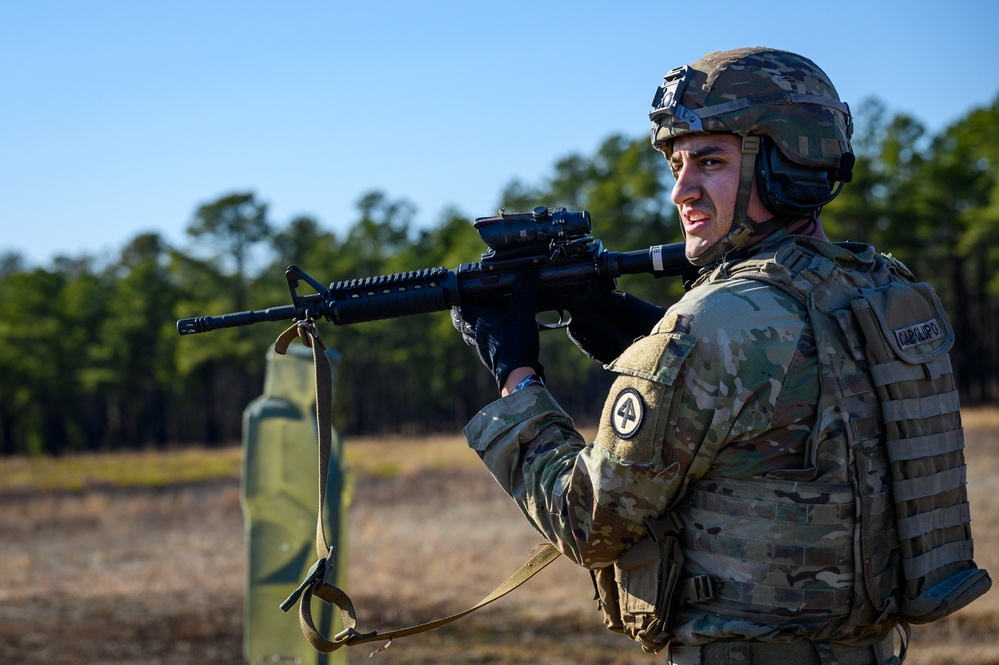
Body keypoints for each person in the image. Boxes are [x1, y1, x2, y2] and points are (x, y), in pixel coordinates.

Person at [451, 47, 989, 665]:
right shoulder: (875, 287)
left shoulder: (715, 324)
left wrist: (517, 378)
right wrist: (649, 342)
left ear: (790, 160)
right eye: (676, 164)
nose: (682, 189)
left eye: (710, 160)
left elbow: (588, 523)